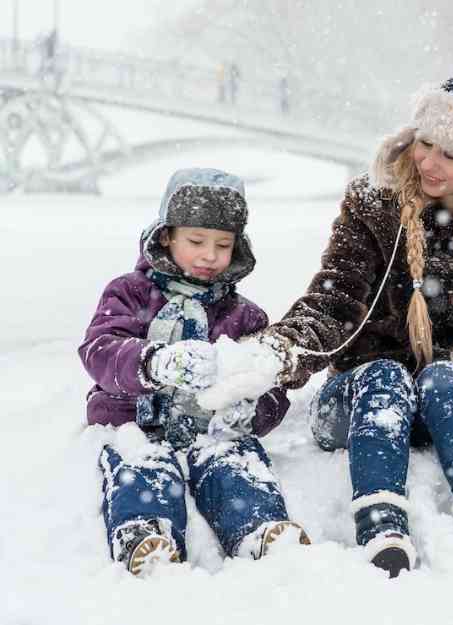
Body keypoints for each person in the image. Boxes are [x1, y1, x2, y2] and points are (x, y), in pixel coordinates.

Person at [232, 77, 453, 577]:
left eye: (450, 155)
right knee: (385, 376)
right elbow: (334, 300)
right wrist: (276, 352)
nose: (428, 163)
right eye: (424, 144)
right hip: (361, 400)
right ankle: (382, 526)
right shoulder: (374, 202)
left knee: (447, 377)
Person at [79, 168, 309, 575]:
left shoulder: (244, 316)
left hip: (211, 429)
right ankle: (146, 532)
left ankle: (258, 528)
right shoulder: (129, 294)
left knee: (235, 462)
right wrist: (153, 362)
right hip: (134, 422)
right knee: (142, 464)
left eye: (223, 245)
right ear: (166, 235)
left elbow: (269, 385)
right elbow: (100, 349)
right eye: (197, 241)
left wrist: (251, 409)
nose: (210, 256)